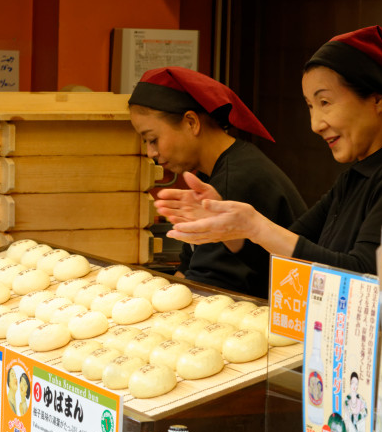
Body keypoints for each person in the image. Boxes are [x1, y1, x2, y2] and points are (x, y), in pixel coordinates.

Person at [154, 26, 382, 287]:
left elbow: (367, 279)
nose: (315, 124)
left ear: (378, 99)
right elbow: (281, 263)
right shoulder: (354, 178)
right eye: (310, 106)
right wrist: (234, 229)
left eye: (325, 102)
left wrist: (256, 225)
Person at [128, 67, 306, 297]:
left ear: (191, 122)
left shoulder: (236, 180)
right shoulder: (206, 174)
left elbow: (210, 286)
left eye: (153, 139)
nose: (151, 152)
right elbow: (188, 268)